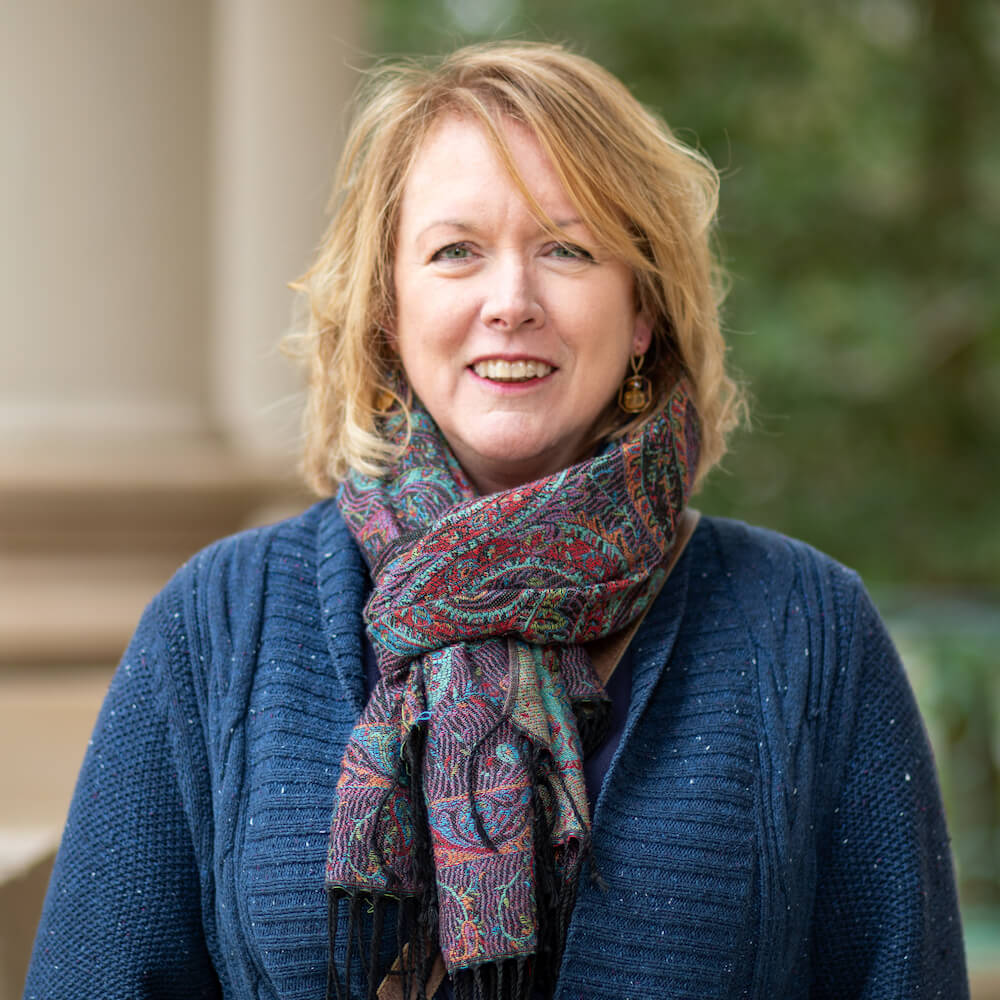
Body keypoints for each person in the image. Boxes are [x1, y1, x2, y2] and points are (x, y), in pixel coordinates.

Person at [25, 41, 968, 1000]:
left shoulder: (808, 633)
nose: (510, 302)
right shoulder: (217, 627)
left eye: (567, 248)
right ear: (387, 307)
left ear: (642, 310)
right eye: (455, 252)